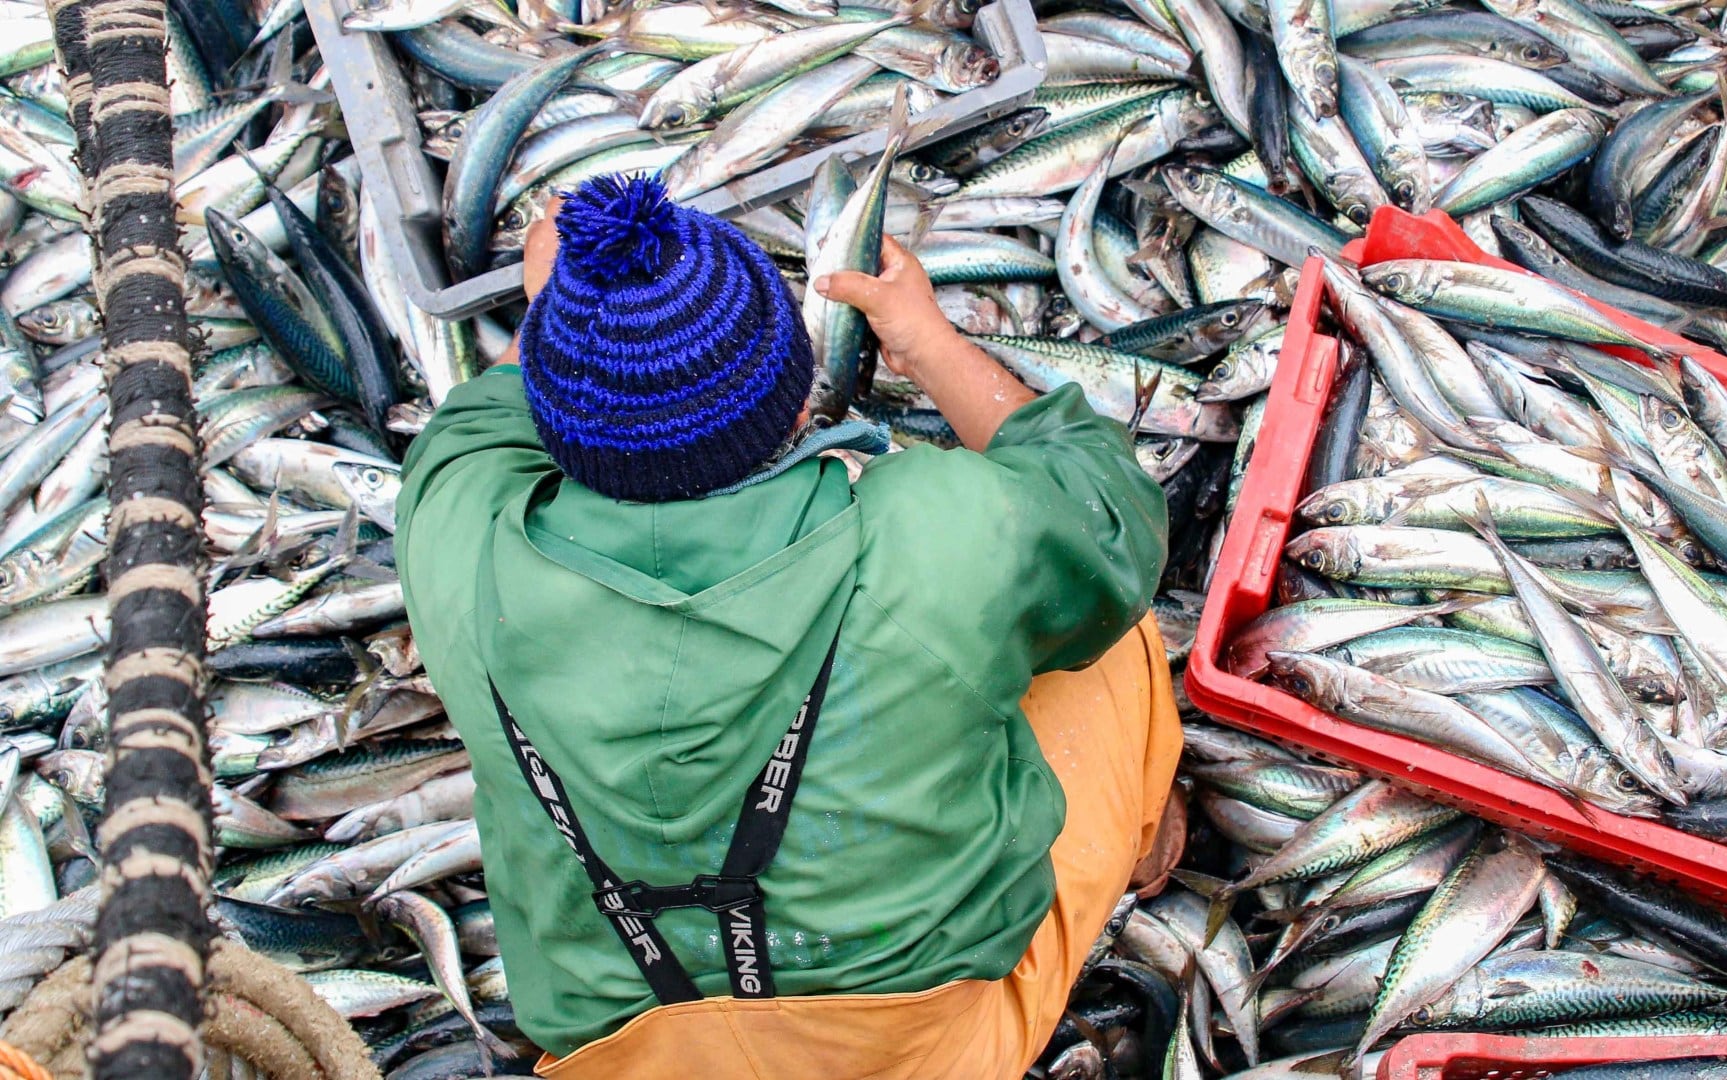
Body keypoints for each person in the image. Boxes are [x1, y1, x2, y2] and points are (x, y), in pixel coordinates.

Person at [395, 172, 1182, 1079]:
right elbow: (1110, 513)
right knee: (1110, 633)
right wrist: (922, 339)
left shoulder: (457, 537)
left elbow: (472, 428)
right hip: (917, 1049)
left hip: (625, 1058)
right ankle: (1149, 844)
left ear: (546, 415)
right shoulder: (938, 535)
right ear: (803, 404)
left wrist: (563, 308)